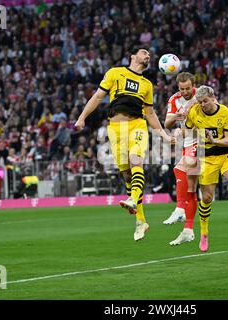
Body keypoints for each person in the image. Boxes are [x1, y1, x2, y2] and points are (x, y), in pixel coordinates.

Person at [75, 46, 175, 241]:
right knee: (127, 174)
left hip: (137, 124)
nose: (147, 55)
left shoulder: (147, 84)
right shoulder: (115, 73)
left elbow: (150, 113)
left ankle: (132, 199)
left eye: (149, 54)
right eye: (144, 52)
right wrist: (82, 117)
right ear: (132, 56)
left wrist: (163, 134)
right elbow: (98, 97)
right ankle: (141, 221)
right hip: (115, 129)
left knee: (135, 160)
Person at [184, 85, 228, 252]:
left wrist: (213, 140)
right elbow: (186, 130)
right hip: (207, 157)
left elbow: (227, 141)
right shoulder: (194, 111)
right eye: (200, 102)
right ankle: (204, 234)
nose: (202, 105)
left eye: (205, 101)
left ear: (213, 98)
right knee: (206, 198)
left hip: (226, 154)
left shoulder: (226, 113)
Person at [161, 72, 197, 225]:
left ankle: (179, 209)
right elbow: (167, 123)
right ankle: (187, 227)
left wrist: (191, 105)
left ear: (193, 86)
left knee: (181, 169)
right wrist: (177, 115)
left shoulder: (201, 94)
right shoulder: (174, 99)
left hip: (202, 138)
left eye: (187, 88)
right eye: (182, 89)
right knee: (190, 186)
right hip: (188, 140)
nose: (185, 92)